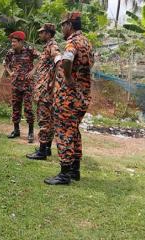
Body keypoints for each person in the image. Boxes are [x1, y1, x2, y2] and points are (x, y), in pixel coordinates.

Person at [44, 12, 94, 185]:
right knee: (73, 131)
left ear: (70, 25)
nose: (61, 28)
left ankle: (64, 174)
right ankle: (75, 170)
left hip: (68, 98)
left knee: (64, 131)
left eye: (63, 24)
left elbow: (67, 60)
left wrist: (68, 77)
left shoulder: (72, 42)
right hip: (82, 96)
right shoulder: (87, 42)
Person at [26, 23, 60, 160]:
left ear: (48, 33)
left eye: (41, 32)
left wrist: (53, 81)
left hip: (45, 91)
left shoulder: (52, 46)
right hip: (43, 89)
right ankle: (46, 149)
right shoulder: (47, 47)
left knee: (44, 120)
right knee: (49, 120)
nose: (39, 35)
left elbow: (58, 60)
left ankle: (41, 151)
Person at [3, 31, 39, 143]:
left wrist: (34, 70)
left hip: (27, 85)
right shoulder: (10, 52)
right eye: (12, 42)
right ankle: (16, 130)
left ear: (20, 42)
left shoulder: (29, 50)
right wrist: (10, 72)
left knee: (28, 108)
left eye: (14, 42)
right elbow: (5, 63)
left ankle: (30, 132)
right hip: (15, 84)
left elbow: (42, 58)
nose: (12, 44)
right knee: (15, 107)